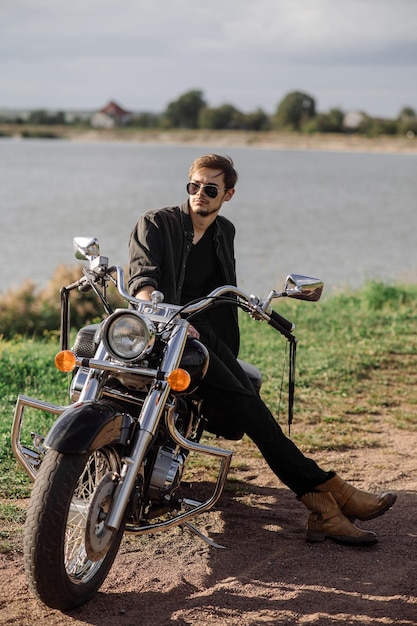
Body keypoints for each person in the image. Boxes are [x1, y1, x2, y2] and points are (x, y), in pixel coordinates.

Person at [128, 154, 396, 545]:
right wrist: (157, 305)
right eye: (194, 186)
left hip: (201, 337)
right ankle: (326, 495)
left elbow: (222, 288)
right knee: (253, 414)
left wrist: (248, 306)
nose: (200, 194)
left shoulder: (225, 231)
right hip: (161, 329)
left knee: (253, 408)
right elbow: (142, 277)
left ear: (229, 194)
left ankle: (324, 502)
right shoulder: (156, 223)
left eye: (211, 189)